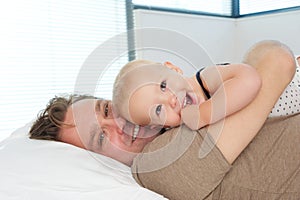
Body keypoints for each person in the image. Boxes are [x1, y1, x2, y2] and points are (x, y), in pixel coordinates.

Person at [29, 40, 299, 199]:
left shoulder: (177, 112)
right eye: (101, 137)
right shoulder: (156, 164)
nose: (121, 124)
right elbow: (277, 63)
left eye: (108, 111)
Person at [112, 59, 262, 131]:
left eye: (163, 86)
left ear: (173, 69)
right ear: (159, 126)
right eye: (158, 109)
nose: (171, 100)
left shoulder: (206, 79)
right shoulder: (178, 129)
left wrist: (205, 114)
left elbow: (250, 79)